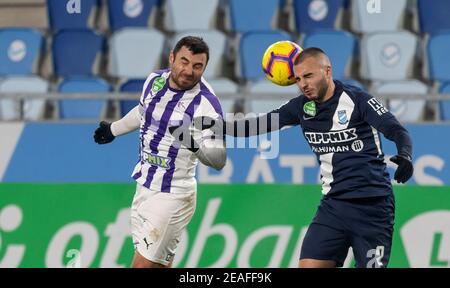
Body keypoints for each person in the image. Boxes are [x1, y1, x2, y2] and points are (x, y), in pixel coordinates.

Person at [217, 47, 413, 268]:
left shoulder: (358, 100)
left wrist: (405, 153)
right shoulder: (301, 107)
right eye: (298, 79)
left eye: (308, 76)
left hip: (374, 208)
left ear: (327, 71)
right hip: (333, 206)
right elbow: (259, 124)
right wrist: (217, 127)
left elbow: (396, 130)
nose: (303, 84)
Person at [93, 36, 226, 268]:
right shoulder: (154, 80)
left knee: (142, 266)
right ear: (172, 58)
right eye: (184, 62)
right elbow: (144, 111)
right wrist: (113, 129)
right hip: (144, 185)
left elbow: (219, 159)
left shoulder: (207, 105)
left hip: (174, 194)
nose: (189, 71)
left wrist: (190, 141)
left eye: (197, 66)